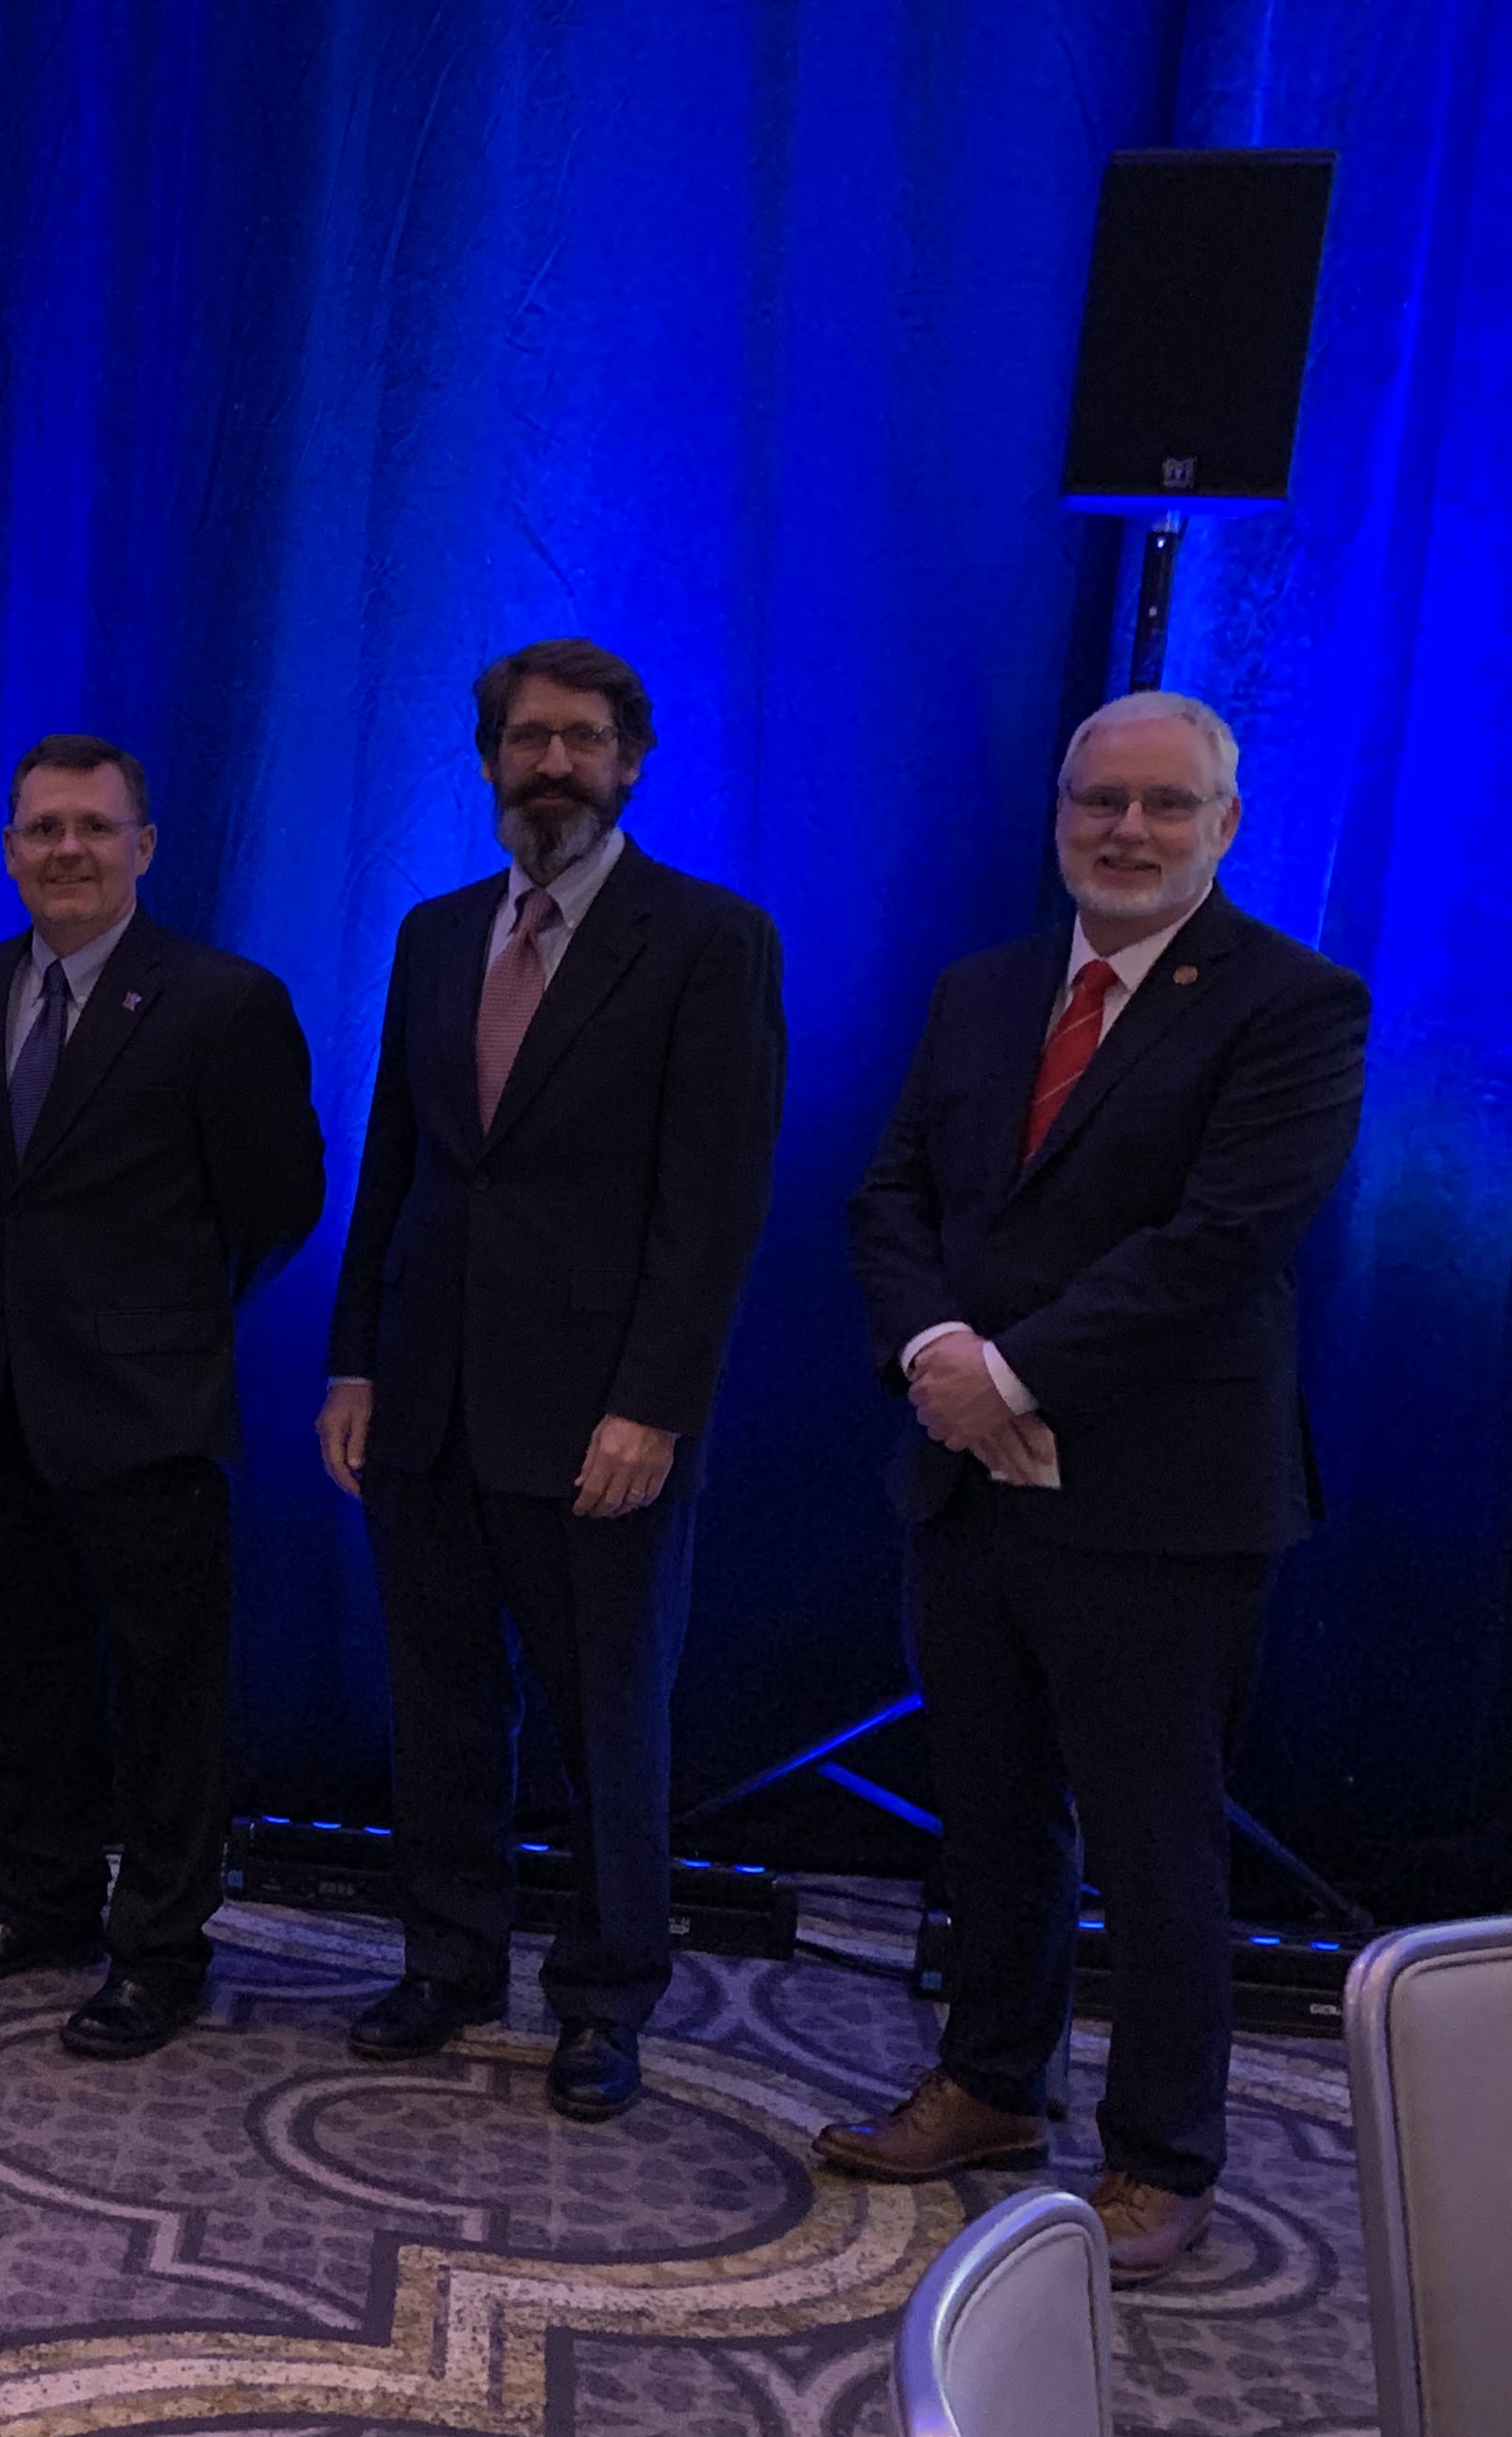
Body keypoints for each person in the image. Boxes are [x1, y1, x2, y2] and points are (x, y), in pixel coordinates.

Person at [819, 691, 1366, 2284]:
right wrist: (936, 1350)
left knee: (1152, 1836)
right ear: (1058, 814)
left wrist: (1015, 1375)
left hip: (1163, 1499)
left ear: (1225, 826)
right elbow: (892, 1191)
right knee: (988, 1811)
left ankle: (1162, 2160)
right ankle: (993, 2084)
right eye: (1096, 803)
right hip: (966, 1480)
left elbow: (1222, 1244)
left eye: (1163, 806)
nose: (1125, 831)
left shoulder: (1293, 1004)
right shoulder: (985, 991)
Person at [317, 639, 787, 2122]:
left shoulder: (709, 939)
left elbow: (712, 1205)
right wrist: (352, 1360)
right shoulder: (435, 933)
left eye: (584, 741)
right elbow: (393, 1167)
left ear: (631, 759)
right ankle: (450, 1964)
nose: (554, 766)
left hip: (601, 1419)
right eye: (527, 741)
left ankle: (602, 1999)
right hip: (427, 1395)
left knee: (606, 1722)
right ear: (487, 762)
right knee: (441, 1705)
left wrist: (653, 1404)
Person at [0, 735, 325, 2058]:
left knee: (167, 1699)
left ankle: (158, 1947)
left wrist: (163, 1323)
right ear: (11, 849)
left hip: (150, 1413)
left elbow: (280, 1201)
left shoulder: (222, 1001)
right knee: (28, 1682)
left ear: (145, 846)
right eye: (42, 830)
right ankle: (38, 1900)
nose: (68, 851)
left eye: (95, 828)